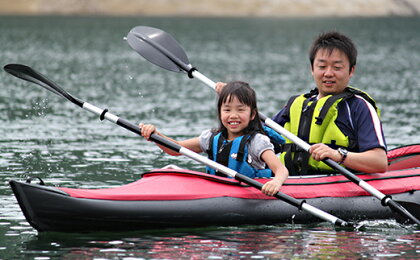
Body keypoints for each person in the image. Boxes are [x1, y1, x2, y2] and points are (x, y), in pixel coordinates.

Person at [140, 81, 289, 196]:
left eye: (240, 109)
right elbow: (176, 149)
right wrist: (156, 136)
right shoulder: (211, 137)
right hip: (217, 192)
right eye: (227, 109)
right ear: (220, 112)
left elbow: (281, 170)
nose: (233, 115)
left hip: (248, 195)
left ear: (252, 115)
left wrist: (275, 182)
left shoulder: (257, 142)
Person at [271, 31, 388, 175]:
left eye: (337, 68)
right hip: (291, 183)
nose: (328, 73)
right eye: (322, 67)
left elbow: (380, 162)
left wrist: (339, 155)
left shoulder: (359, 107)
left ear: (351, 71)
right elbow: (260, 141)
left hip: (340, 185)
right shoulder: (296, 106)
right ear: (312, 69)